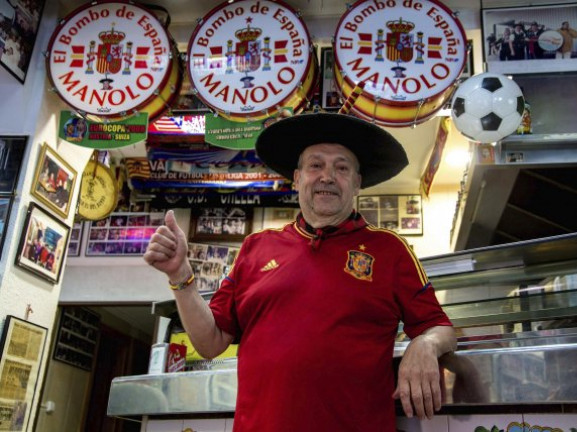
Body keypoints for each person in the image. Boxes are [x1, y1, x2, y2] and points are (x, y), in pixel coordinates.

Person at [144, 113, 456, 431]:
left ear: (358, 182)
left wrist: (425, 344)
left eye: (342, 167)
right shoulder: (255, 248)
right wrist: (180, 275)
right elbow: (211, 342)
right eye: (315, 165)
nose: (327, 176)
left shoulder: (390, 250)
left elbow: (441, 327)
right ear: (296, 178)